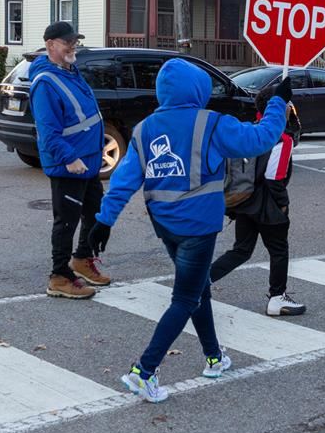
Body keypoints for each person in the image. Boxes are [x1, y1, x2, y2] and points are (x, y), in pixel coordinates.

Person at [88, 58, 292, 403]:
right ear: (197, 90)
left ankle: (214, 358)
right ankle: (144, 371)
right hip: (199, 227)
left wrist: (104, 221)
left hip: (165, 226)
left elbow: (123, 181)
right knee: (185, 298)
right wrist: (277, 103)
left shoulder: (145, 128)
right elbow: (261, 139)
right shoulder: (211, 124)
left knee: (198, 291)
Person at [29, 20, 110, 299]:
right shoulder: (45, 83)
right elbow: (47, 132)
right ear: (51, 45)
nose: (73, 46)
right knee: (66, 222)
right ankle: (59, 276)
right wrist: (70, 158)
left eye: (75, 41)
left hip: (87, 163)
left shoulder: (71, 72)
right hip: (69, 166)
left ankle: (82, 260)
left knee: (96, 213)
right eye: (67, 42)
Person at [208, 84, 304, 317]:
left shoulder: (250, 130)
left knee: (241, 250)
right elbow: (275, 176)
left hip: (244, 200)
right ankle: (277, 298)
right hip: (269, 205)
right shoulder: (282, 138)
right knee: (278, 250)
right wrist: (282, 205)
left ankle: (201, 280)